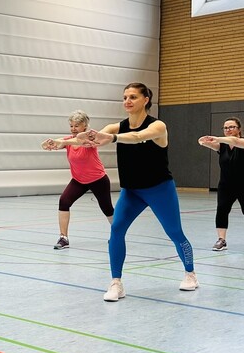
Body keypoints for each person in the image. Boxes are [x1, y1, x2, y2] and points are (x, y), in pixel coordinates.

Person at [74, 82, 197, 301]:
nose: (127, 102)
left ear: (145, 100)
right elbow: (88, 138)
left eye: (132, 97)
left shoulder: (158, 126)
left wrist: (112, 138)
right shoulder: (116, 126)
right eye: (124, 98)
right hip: (132, 191)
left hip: (160, 189)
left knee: (174, 232)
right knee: (116, 231)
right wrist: (61, 142)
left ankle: (190, 274)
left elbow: (138, 136)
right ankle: (116, 283)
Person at [40, 110, 115, 249]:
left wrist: (61, 141)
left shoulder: (90, 138)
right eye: (71, 126)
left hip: (98, 179)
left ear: (84, 127)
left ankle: (117, 234)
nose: (73, 129)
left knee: (107, 209)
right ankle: (64, 238)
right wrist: (49, 143)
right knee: (64, 201)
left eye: (77, 126)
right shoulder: (68, 140)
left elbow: (85, 140)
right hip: (78, 180)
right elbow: (46, 146)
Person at [198, 117, 244, 250]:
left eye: (231, 127)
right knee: (222, 209)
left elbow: (234, 141)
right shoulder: (222, 146)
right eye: (226, 128)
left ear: (239, 129)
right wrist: (204, 142)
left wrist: (217, 138)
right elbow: (214, 145)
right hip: (226, 185)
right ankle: (222, 240)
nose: (228, 130)